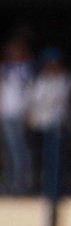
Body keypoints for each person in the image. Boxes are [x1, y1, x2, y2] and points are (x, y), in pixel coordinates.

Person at [27, 48, 71, 205]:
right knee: (44, 161)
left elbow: (58, 100)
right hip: (42, 126)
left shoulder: (65, 79)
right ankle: (46, 191)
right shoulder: (40, 81)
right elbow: (33, 101)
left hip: (57, 125)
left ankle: (57, 193)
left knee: (57, 161)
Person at [0, 35, 32, 194]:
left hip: (17, 114)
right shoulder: (5, 68)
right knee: (7, 152)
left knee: (18, 150)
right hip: (5, 114)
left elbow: (30, 92)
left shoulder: (26, 69)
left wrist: (29, 113)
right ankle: (8, 182)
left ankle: (22, 184)